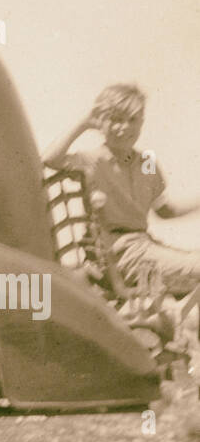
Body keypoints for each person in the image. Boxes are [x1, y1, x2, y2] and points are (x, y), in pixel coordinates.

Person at [43, 84, 200, 349]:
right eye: (115, 119)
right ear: (100, 122)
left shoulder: (147, 160)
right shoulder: (93, 160)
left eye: (132, 120)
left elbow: (164, 210)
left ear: (142, 122)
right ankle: (172, 326)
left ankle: (173, 327)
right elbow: (51, 158)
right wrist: (83, 123)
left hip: (146, 247)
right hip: (119, 254)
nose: (124, 128)